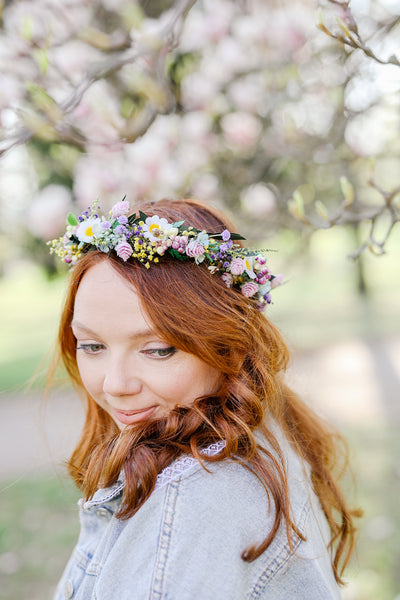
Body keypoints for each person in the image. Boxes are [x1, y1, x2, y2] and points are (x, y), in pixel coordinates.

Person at [48, 197, 360, 600]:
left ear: (228, 345)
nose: (115, 384)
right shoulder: (259, 426)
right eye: (91, 345)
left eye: (158, 350)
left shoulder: (189, 501)